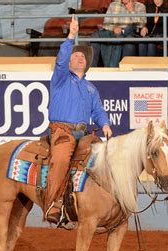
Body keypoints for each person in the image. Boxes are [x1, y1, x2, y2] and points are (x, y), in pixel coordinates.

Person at [45, 15, 113, 225]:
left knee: (102, 159)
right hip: (62, 131)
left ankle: (104, 203)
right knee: (62, 160)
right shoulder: (61, 78)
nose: (80, 57)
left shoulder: (91, 88)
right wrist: (71, 36)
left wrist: (105, 124)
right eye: (76, 55)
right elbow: (62, 59)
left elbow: (98, 111)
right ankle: (53, 205)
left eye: (83, 56)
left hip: (83, 134)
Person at [91, 0, 147, 67]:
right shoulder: (113, 5)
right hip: (111, 31)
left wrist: (132, 11)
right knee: (95, 36)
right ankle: (91, 69)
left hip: (128, 33)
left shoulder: (140, 6)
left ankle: (117, 70)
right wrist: (114, 28)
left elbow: (141, 25)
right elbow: (106, 23)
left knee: (127, 43)